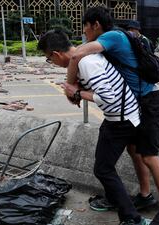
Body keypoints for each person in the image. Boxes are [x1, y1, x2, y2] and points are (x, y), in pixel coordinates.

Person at [66, 6, 159, 225]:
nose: (85, 34)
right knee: (134, 150)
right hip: (140, 102)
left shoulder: (112, 36)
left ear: (95, 25)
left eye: (86, 29)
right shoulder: (113, 39)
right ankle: (145, 196)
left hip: (150, 102)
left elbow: (77, 54)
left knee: (149, 155)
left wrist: (70, 87)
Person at [37, 29, 147, 225]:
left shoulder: (88, 63)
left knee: (103, 169)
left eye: (49, 59)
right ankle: (115, 200)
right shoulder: (83, 58)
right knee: (103, 164)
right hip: (118, 117)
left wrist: (78, 93)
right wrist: (78, 91)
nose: (52, 63)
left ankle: (132, 218)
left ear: (56, 54)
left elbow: (108, 97)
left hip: (123, 119)